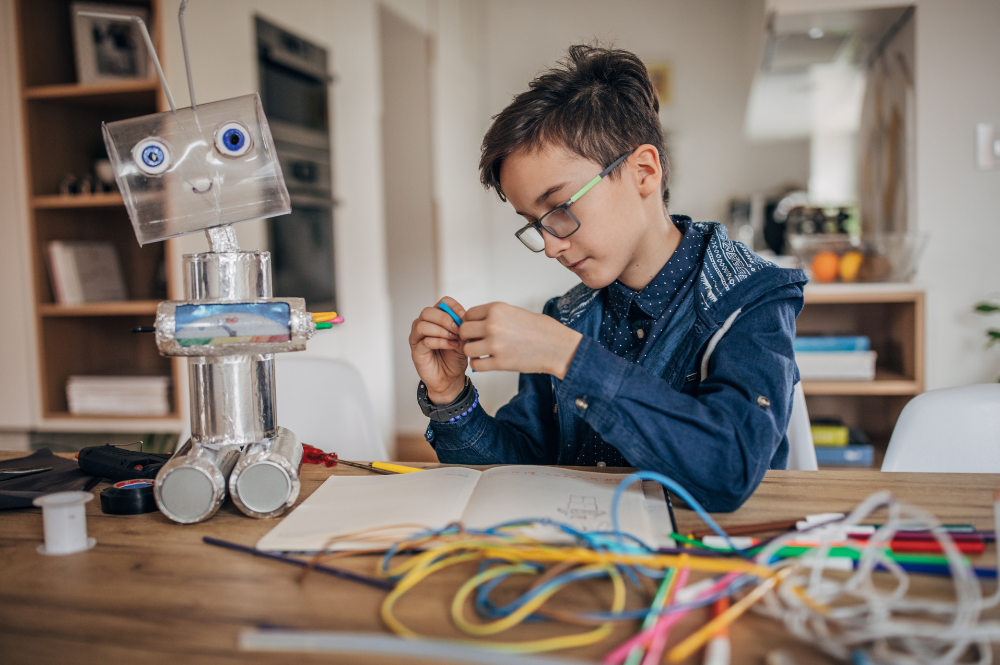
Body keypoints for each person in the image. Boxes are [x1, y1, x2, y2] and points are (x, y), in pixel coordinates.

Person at [409, 44, 807, 512]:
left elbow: (730, 470)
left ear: (643, 171)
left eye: (559, 208)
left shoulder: (751, 297)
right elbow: (517, 475)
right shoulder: (566, 314)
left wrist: (567, 356)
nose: (552, 245)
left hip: (710, 566)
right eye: (534, 224)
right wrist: (451, 396)